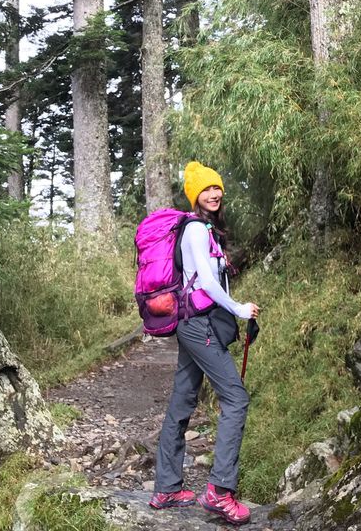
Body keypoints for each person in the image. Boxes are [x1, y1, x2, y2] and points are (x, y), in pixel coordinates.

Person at [150, 161, 259, 526]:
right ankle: (219, 492)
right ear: (194, 195)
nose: (214, 194)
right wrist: (240, 309)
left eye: (217, 188)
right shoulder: (196, 230)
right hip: (199, 327)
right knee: (236, 399)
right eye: (206, 190)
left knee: (182, 400)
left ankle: (166, 488)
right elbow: (209, 286)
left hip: (192, 324)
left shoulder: (205, 229)